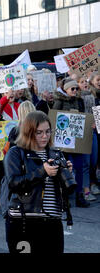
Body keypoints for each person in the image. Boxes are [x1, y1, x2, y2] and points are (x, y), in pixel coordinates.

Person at [4, 111, 73, 253]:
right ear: (29, 132)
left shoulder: (55, 153)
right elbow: (13, 183)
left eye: (48, 131)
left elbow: (63, 191)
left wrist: (66, 175)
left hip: (53, 221)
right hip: (24, 220)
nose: (45, 136)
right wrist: (42, 171)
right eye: (39, 132)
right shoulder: (16, 153)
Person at [53, 80, 90, 208]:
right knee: (64, 168)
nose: (75, 91)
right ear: (66, 89)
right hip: (63, 140)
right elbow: (54, 117)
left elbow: (83, 116)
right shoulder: (59, 101)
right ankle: (63, 197)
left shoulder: (79, 101)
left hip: (76, 139)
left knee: (79, 167)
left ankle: (79, 195)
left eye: (76, 88)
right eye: (72, 89)